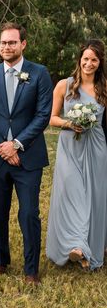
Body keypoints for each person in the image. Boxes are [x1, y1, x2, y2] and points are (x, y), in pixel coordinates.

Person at [0, 22, 53, 284]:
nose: (6, 47)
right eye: (2, 43)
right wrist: (4, 147)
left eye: (11, 42)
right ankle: (0, 262)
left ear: (23, 44)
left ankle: (31, 269)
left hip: (28, 157)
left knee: (29, 213)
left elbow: (43, 115)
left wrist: (17, 144)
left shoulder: (39, 74)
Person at [46, 39, 107, 270]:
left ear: (100, 63)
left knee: (93, 195)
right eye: (86, 59)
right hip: (70, 145)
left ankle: (87, 246)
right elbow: (51, 118)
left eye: (94, 59)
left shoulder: (105, 88)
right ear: (79, 60)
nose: (89, 63)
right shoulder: (64, 85)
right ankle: (75, 244)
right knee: (72, 192)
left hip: (97, 146)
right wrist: (69, 123)